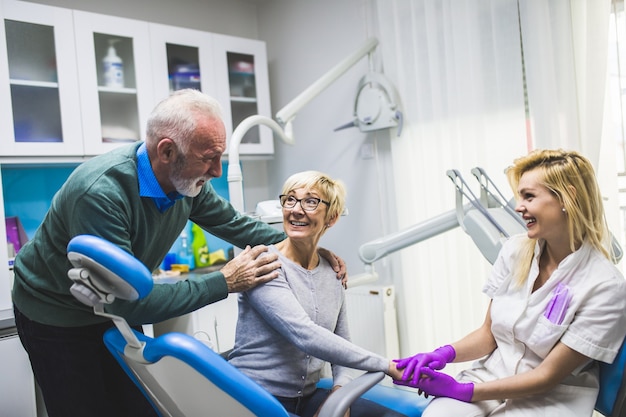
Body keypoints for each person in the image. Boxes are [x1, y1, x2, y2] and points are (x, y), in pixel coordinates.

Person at [11, 89, 346, 417]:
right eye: (208, 158)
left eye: (220, 156)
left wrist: (308, 249)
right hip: (56, 312)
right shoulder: (101, 193)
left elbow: (233, 223)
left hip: (115, 304)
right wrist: (224, 281)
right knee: (83, 409)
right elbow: (129, 302)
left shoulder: (188, 181)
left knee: (139, 406)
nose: (216, 170)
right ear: (167, 151)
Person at [394, 149, 626, 416]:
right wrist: (442, 354)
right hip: (490, 377)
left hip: (550, 398)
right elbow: (488, 334)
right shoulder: (515, 251)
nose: (518, 206)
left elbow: (547, 375)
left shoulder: (605, 286)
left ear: (568, 198)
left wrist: (463, 391)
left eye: (529, 196)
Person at [228, 170, 406, 417]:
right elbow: (306, 335)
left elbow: (341, 343)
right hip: (254, 397)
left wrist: (339, 391)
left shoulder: (331, 271)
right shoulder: (264, 264)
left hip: (306, 397)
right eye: (290, 199)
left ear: (331, 217)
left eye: (310, 201)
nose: (296, 209)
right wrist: (386, 365)